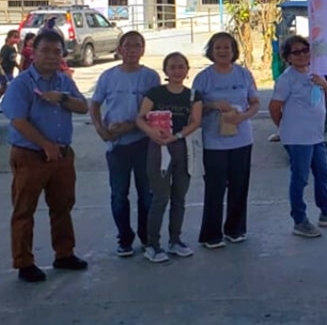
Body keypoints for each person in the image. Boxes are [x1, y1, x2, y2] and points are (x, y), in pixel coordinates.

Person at [2, 30, 89, 282]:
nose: (51, 56)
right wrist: (45, 145)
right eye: (45, 51)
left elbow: (83, 106)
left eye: (57, 51)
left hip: (62, 155)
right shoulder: (22, 84)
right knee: (24, 209)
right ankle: (24, 262)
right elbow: (17, 120)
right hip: (30, 155)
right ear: (33, 53)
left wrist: (62, 99)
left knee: (62, 206)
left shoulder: (64, 81)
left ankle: (64, 254)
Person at [269, 35, 327, 238]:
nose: (303, 55)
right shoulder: (286, 80)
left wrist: (324, 84)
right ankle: (299, 220)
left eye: (305, 51)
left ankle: (326, 211)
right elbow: (274, 107)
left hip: (316, 136)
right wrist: (285, 127)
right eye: (296, 52)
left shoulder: (316, 74)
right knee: (300, 178)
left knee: (322, 173)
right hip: (297, 139)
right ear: (288, 57)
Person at [89, 31, 160, 257]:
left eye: (137, 46)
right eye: (127, 46)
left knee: (146, 194)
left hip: (142, 142)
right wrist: (101, 129)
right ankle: (124, 239)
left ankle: (147, 238)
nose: (132, 50)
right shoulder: (108, 77)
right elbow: (95, 104)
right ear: (119, 49)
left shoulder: (150, 77)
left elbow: (153, 111)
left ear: (143, 49)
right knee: (119, 194)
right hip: (116, 145)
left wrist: (131, 126)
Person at [194, 32, 260, 249]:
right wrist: (213, 105)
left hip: (242, 140)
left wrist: (243, 116)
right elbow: (193, 109)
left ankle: (235, 229)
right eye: (218, 48)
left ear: (234, 51)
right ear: (211, 52)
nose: (222, 51)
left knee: (239, 186)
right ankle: (211, 235)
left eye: (227, 47)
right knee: (215, 187)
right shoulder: (203, 78)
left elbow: (255, 103)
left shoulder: (244, 75)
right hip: (214, 141)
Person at [135, 52, 203, 263]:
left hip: (183, 148)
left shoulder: (193, 96)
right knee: (160, 197)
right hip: (159, 149)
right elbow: (140, 118)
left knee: (179, 197)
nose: (177, 71)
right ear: (165, 71)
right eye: (172, 67)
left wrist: (178, 135)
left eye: (181, 66)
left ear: (187, 70)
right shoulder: (155, 93)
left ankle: (175, 240)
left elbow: (196, 121)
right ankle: (152, 244)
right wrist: (152, 133)